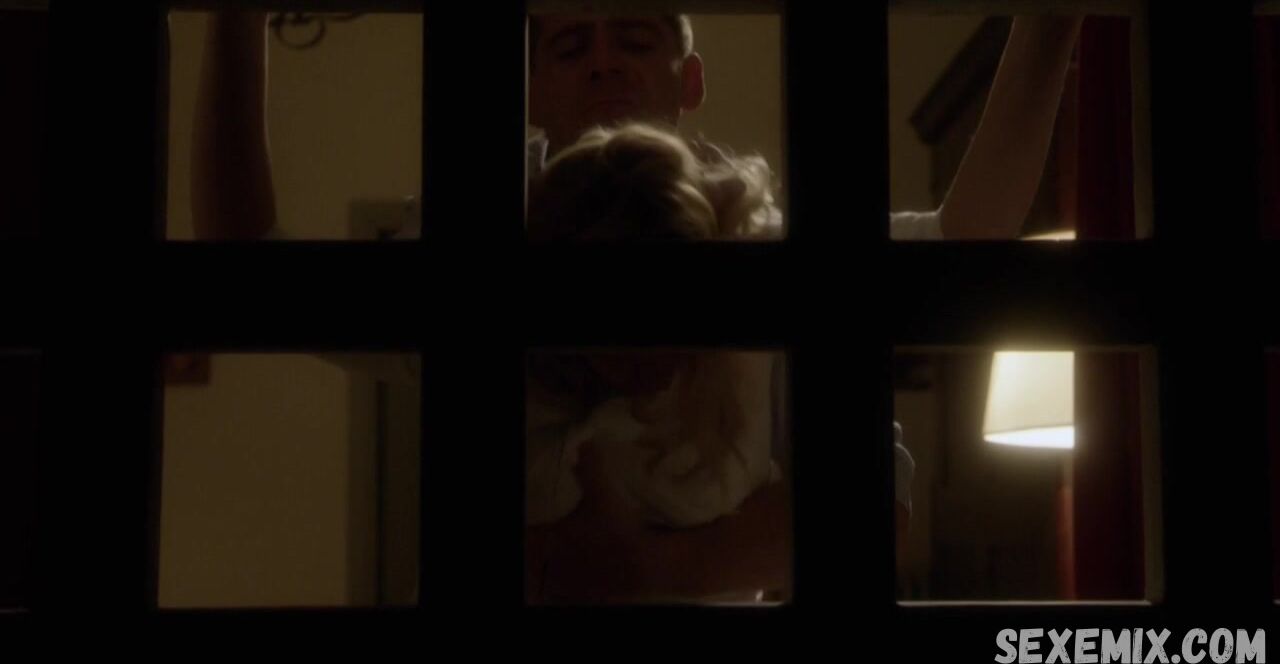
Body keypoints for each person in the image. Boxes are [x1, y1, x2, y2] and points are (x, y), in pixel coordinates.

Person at [188, 10, 1084, 600]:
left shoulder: (759, 253)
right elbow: (248, 274)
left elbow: (964, 244)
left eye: (636, 38)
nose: (605, 60)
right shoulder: (467, 249)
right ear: (528, 87)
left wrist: (648, 567)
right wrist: (236, 18)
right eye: (570, 45)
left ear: (688, 81)